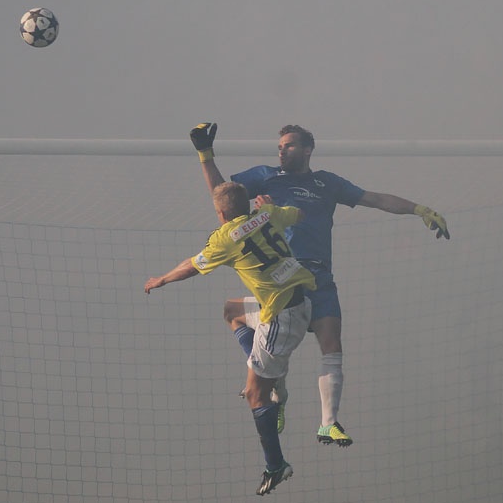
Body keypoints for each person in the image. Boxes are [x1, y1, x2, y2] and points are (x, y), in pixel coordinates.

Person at [190, 122, 450, 447]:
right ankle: (275, 391)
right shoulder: (265, 176)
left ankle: (328, 423)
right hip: (282, 280)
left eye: (289, 145)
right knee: (266, 343)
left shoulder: (326, 182)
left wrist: (418, 209)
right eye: (280, 146)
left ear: (308, 149)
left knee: (332, 344)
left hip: (320, 277)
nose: (282, 150)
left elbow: (375, 198)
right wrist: (205, 154)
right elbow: (222, 196)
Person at [144, 182, 316, 496]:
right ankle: (269, 375)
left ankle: (276, 464)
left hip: (281, 318)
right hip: (295, 303)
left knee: (254, 394)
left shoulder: (224, 239)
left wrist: (162, 279)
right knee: (232, 310)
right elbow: (299, 214)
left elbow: (192, 267)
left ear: (221, 213)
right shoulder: (267, 214)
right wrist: (270, 208)